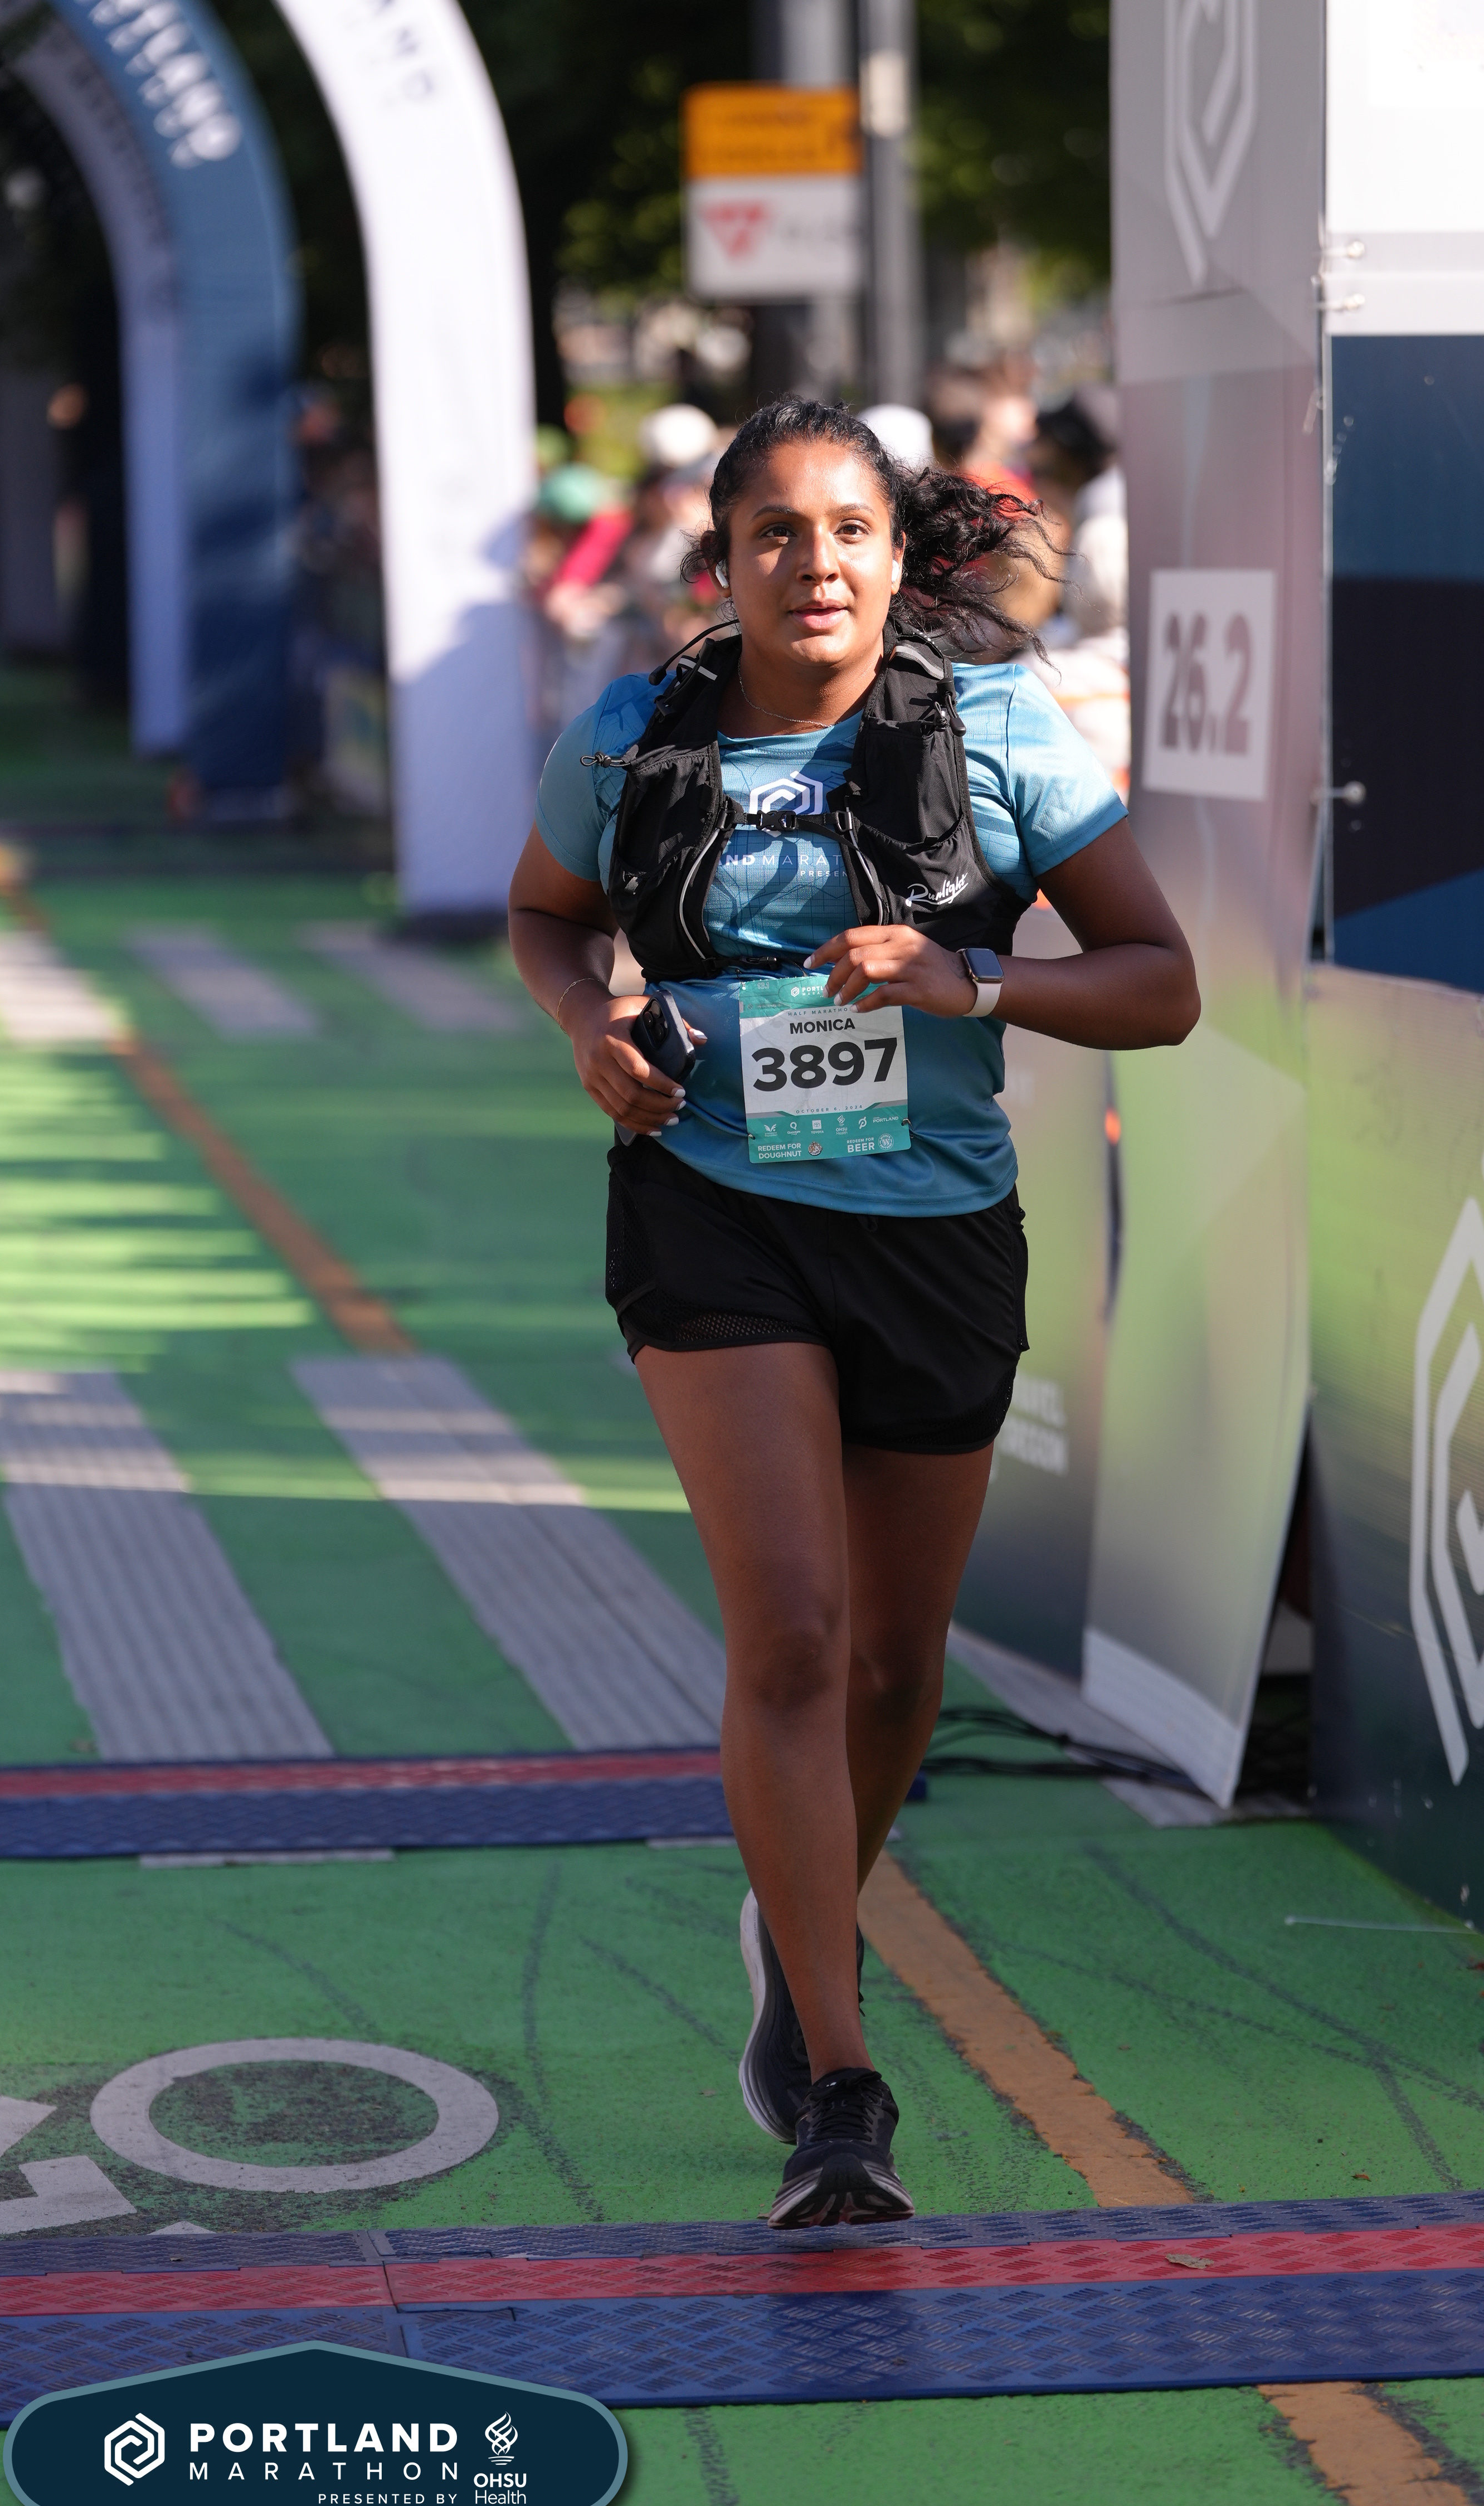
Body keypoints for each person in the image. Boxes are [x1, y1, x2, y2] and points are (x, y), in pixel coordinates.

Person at [508, 398, 1198, 2226]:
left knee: (899, 1668)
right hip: (713, 1215)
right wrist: (586, 1025)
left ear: (899, 558)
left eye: (847, 533)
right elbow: (545, 916)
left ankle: (794, 1908)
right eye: (775, 536)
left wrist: (975, 982)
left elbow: (1162, 984)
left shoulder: (996, 726)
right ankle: (839, 2078)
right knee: (798, 1636)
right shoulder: (634, 732)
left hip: (936, 1231)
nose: (813, 566)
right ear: (719, 561)